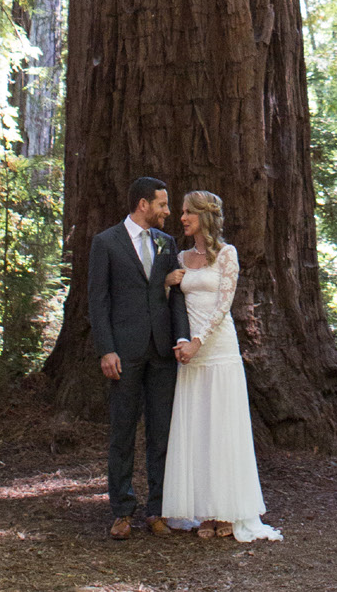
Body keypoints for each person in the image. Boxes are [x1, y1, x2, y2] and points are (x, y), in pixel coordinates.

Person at [161, 190, 282, 543]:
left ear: (205, 217)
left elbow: (224, 305)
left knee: (222, 429)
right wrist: (170, 289)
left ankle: (228, 510)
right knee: (197, 429)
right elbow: (173, 307)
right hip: (190, 354)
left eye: (188, 213)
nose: (182, 218)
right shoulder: (180, 257)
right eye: (182, 212)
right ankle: (203, 510)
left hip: (217, 349)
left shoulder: (227, 255)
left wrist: (198, 341)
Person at [88, 175, 192, 539]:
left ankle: (157, 510)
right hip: (124, 352)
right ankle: (121, 511)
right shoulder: (106, 243)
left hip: (163, 351)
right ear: (143, 204)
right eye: (163, 204)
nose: (168, 211)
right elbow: (97, 301)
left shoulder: (167, 243)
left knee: (162, 433)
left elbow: (176, 295)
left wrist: (181, 338)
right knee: (123, 431)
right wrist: (106, 349)